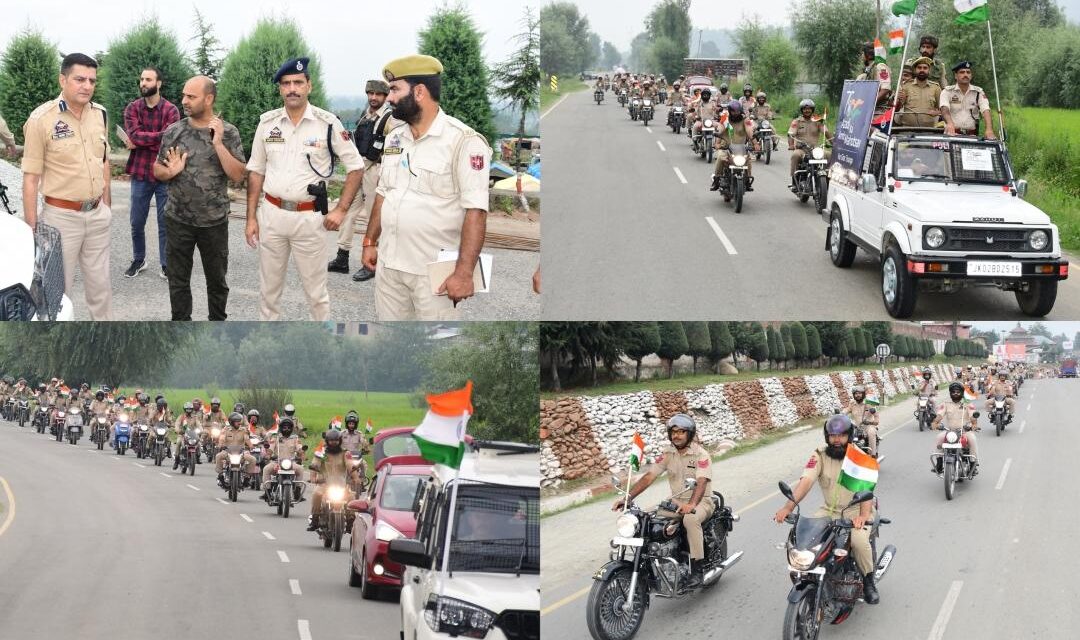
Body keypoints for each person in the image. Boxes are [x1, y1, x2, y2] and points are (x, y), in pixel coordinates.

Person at [360, 54, 493, 320]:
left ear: (419, 92)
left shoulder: (463, 141)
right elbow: (384, 193)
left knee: (436, 351)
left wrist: (464, 273)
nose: (389, 98)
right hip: (390, 267)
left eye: (396, 89)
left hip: (434, 273)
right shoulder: (395, 137)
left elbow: (476, 211)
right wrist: (369, 241)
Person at [245, 57, 364, 321]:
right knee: (268, 292)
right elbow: (256, 170)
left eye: (298, 82)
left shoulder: (328, 123)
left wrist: (341, 209)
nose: (292, 89)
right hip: (272, 215)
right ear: (280, 89)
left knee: (316, 294)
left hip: (309, 219)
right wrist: (251, 217)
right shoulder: (268, 124)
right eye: (286, 84)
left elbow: (356, 166)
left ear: (309, 85)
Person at [21, 53, 114, 320]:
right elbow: (30, 177)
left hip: (97, 216)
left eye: (92, 80)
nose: (87, 86)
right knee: (55, 295)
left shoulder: (100, 115)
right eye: (79, 79)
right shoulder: (42, 119)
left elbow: (104, 161)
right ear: (63, 79)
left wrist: (105, 206)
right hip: (61, 219)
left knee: (101, 290)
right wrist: (31, 229)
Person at [154, 75, 247, 321]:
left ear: (209, 99)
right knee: (178, 282)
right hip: (178, 220)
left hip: (214, 222)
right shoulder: (174, 131)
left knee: (217, 282)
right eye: (184, 95)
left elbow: (238, 175)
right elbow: (157, 170)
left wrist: (218, 143)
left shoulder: (228, 133)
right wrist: (169, 172)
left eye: (191, 96)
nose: (184, 100)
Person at [773, 414, 879, 605]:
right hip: (828, 510)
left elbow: (866, 491)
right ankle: (811, 574)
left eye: (841, 436)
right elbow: (805, 482)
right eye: (832, 436)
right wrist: (787, 507)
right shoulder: (819, 455)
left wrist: (863, 516)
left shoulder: (860, 458)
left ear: (849, 436)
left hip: (855, 511)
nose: (836, 440)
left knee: (859, 541)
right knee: (806, 536)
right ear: (827, 436)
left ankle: (868, 581)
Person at [611, 414, 714, 588]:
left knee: (690, 519)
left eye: (681, 432)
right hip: (676, 501)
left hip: (701, 502)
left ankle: (697, 568)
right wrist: (627, 498)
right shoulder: (668, 454)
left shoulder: (701, 455)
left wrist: (691, 505)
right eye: (673, 432)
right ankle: (656, 559)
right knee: (651, 520)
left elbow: (702, 482)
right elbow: (649, 476)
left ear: (690, 434)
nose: (677, 435)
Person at [327, 79, 399, 282]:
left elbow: (395, 146)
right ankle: (342, 257)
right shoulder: (365, 115)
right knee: (348, 212)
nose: (373, 98)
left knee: (373, 216)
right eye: (370, 94)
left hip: (375, 170)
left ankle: (372, 262)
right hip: (359, 168)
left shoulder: (389, 118)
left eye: (378, 94)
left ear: (385, 97)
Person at [123, 67, 180, 280]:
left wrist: (140, 142)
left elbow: (170, 139)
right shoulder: (132, 108)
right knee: (136, 221)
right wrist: (155, 137)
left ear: (159, 83)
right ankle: (139, 259)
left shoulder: (171, 110)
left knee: (165, 223)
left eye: (148, 79)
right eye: (142, 79)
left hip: (164, 174)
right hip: (140, 173)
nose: (143, 83)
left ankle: (166, 264)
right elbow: (134, 135)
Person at [307, 429, 360, 531]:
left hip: (341, 484)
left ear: (339, 440)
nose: (333, 443)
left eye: (336, 440)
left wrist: (356, 477)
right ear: (327, 441)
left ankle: (350, 522)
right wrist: (313, 477)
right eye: (331, 440)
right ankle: (315, 519)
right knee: (316, 494)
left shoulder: (345, 453)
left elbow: (350, 464)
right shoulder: (322, 453)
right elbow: (315, 464)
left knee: (351, 496)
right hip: (325, 484)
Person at [939, 61, 996, 139]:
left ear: (971, 75)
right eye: (962, 72)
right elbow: (944, 109)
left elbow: (986, 110)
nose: (965, 75)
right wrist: (949, 123)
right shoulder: (947, 91)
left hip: (972, 136)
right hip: (951, 134)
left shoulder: (978, 92)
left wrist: (989, 129)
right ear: (956, 76)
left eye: (968, 72)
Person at [710, 101, 755, 196]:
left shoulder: (745, 120)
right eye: (734, 111)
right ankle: (717, 180)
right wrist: (717, 143)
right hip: (726, 147)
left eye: (738, 111)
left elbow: (750, 131)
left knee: (749, 159)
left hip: (741, 148)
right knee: (720, 157)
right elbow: (720, 130)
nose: (736, 113)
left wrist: (755, 143)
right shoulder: (725, 119)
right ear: (730, 111)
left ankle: (747, 180)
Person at [932, 382, 979, 471]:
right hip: (950, 432)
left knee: (972, 439)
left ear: (962, 393)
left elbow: (973, 416)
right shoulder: (946, 403)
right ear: (950, 393)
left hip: (965, 431)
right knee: (939, 438)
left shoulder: (967, 403)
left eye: (958, 392)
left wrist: (974, 424)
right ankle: (939, 462)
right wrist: (935, 422)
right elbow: (940, 414)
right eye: (953, 392)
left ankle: (973, 464)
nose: (955, 394)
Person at [262, 416, 305, 500]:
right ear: (281, 428)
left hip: (290, 463)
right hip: (277, 462)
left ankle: (297, 492)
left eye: (288, 427)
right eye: (284, 427)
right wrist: (268, 455)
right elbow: (270, 449)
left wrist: (301, 453)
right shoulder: (275, 438)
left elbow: (299, 448)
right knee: (266, 469)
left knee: (300, 469)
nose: (286, 429)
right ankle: (268, 491)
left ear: (291, 428)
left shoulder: (295, 439)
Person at [787, 99, 830, 183]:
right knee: (795, 155)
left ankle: (827, 177)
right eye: (805, 109)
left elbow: (827, 133)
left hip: (815, 149)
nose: (807, 110)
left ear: (812, 109)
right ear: (802, 110)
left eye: (809, 108)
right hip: (801, 149)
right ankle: (794, 178)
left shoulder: (818, 121)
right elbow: (790, 134)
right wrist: (791, 145)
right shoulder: (797, 121)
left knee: (829, 154)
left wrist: (834, 143)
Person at [895, 57, 941, 128]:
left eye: (925, 68)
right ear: (915, 70)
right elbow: (896, 109)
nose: (922, 70)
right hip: (907, 129)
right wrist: (898, 100)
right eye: (919, 68)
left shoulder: (936, 88)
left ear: (929, 70)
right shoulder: (906, 86)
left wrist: (937, 112)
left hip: (929, 130)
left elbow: (943, 110)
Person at [215, 412, 256, 488]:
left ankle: (247, 477)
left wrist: (251, 446)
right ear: (231, 422)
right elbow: (222, 438)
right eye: (237, 421)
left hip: (241, 452)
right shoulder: (226, 429)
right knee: (218, 456)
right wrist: (220, 445)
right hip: (227, 452)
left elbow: (247, 439)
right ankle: (220, 476)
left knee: (253, 459)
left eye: (239, 421)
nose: (239, 423)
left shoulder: (243, 430)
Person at [855, 42, 892, 122]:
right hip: (869, 112)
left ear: (868, 55)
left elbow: (886, 89)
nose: (862, 56)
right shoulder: (869, 70)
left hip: (878, 113)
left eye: (863, 53)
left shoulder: (880, 66)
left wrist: (870, 103)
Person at [842, 384, 880, 458]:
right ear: (853, 395)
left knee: (871, 432)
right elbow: (847, 409)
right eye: (856, 393)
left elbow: (876, 416)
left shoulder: (869, 403)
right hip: (857, 427)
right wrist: (841, 414)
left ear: (863, 394)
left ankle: (873, 454)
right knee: (844, 434)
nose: (858, 395)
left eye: (859, 393)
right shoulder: (852, 403)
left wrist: (872, 422)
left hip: (868, 426)